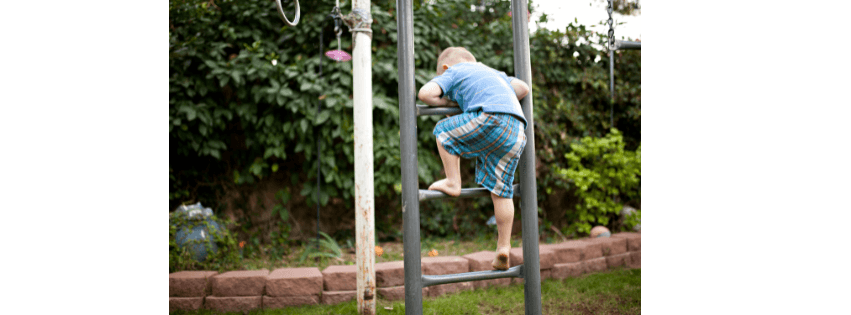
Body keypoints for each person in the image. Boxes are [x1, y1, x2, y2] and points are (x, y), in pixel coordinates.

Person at [417, 47, 529, 270]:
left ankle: (453, 181)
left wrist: (447, 104)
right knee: (501, 191)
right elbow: (523, 88)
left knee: (443, 131)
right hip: (516, 131)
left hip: (490, 119)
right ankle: (503, 248)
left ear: (446, 68)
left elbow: (425, 94)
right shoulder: (495, 73)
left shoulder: (453, 72)